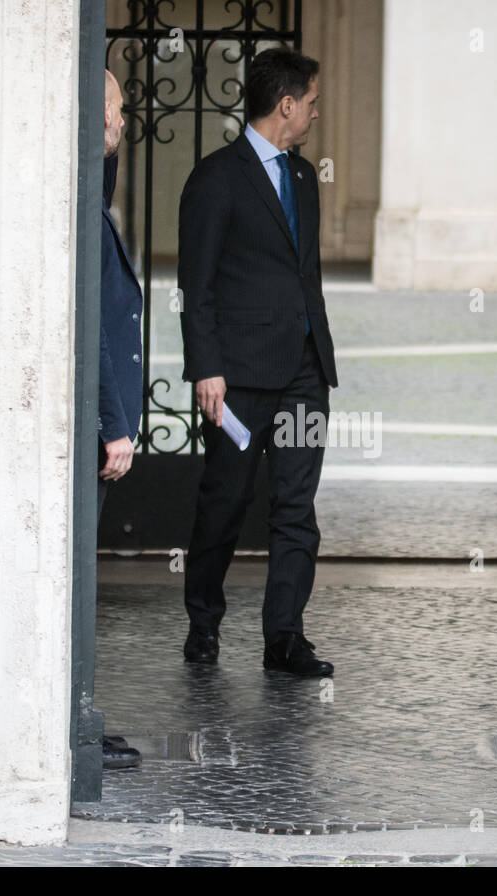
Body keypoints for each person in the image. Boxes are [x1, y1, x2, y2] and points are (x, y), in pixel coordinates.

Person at [178, 48, 337, 677]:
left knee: (297, 508)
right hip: (238, 375)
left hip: (303, 370)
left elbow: (306, 272)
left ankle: (284, 639)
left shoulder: (303, 178)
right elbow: (196, 283)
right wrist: (204, 367)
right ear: (287, 103)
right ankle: (203, 626)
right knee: (225, 503)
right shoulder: (216, 178)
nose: (316, 114)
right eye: (314, 102)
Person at [96, 70, 144, 770]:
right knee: (77, 577)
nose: (126, 117)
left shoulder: (87, 195)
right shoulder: (76, 209)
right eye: (116, 106)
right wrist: (116, 422)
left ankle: (77, 712)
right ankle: (69, 718)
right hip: (95, 426)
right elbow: (97, 328)